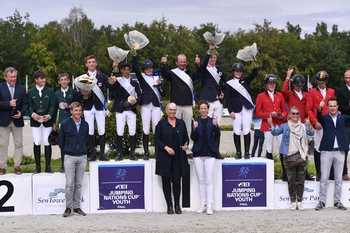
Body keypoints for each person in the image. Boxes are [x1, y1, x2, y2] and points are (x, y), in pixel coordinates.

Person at [269, 106, 314, 211]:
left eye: (297, 113)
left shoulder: (303, 126)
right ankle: (293, 202)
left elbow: (311, 135)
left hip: (301, 155)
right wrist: (271, 124)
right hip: (288, 156)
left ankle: (300, 202)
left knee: (301, 180)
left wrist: (309, 125)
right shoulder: (284, 126)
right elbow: (275, 133)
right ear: (289, 115)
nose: (295, 115)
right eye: (293, 113)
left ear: (299, 115)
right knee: (291, 180)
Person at [160, 54, 202, 157]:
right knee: (174, 128)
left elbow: (199, 75)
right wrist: (163, 63)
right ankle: (175, 148)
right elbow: (164, 74)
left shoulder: (190, 73)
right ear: (176, 62)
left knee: (188, 128)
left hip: (187, 104)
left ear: (186, 62)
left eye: (184, 61)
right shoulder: (173, 73)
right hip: (176, 106)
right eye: (180, 61)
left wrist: (198, 64)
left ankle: (189, 150)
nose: (182, 63)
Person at [74, 55, 112, 162]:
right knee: (89, 130)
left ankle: (102, 155)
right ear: (86, 64)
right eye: (89, 62)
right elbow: (74, 92)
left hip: (100, 107)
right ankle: (93, 154)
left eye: (93, 62)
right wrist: (82, 92)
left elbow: (111, 87)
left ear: (96, 64)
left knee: (102, 129)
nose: (91, 64)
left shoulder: (102, 76)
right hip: (88, 106)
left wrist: (113, 76)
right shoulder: (82, 78)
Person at [315, 98, 350, 211]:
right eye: (330, 106)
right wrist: (319, 109)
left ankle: (337, 201)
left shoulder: (343, 118)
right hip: (327, 151)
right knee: (324, 178)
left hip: (340, 151)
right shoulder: (325, 118)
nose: (333, 108)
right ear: (328, 107)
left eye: (334, 106)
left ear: (337, 106)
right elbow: (318, 117)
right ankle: (321, 201)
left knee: (338, 178)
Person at [155, 102, 190, 215]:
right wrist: (166, 148)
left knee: (176, 181)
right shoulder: (161, 124)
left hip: (178, 157)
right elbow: (156, 140)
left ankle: (177, 204)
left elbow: (186, 137)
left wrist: (186, 145)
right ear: (166, 111)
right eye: (170, 110)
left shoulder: (181, 123)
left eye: (174, 110)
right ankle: (169, 205)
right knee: (165, 181)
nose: (172, 112)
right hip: (165, 157)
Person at [132, 51, 165, 160]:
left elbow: (163, 93)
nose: (149, 70)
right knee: (146, 128)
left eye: (150, 68)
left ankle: (157, 152)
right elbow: (135, 68)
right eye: (147, 69)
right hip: (146, 104)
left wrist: (160, 85)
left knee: (156, 128)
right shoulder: (141, 77)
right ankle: (146, 152)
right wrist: (134, 55)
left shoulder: (157, 77)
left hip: (155, 105)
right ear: (144, 70)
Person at [282, 68, 314, 181]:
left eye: (300, 85)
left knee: (303, 149)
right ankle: (286, 173)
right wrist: (287, 77)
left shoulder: (307, 94)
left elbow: (308, 107)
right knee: (289, 149)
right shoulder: (290, 94)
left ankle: (304, 172)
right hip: (292, 124)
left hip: (303, 124)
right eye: (296, 85)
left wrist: (308, 118)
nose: (299, 87)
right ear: (293, 84)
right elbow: (284, 91)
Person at [59, 102, 89, 217]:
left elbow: (85, 138)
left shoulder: (85, 124)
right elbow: (61, 142)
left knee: (78, 184)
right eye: (76, 110)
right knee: (69, 184)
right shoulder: (65, 124)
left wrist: (81, 149)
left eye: (80, 110)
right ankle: (68, 207)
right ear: (71, 111)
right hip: (69, 157)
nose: (78, 112)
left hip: (82, 156)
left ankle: (77, 207)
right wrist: (69, 149)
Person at [191, 100, 220, 215]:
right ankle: (203, 204)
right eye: (201, 108)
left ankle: (210, 205)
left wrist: (216, 126)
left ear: (208, 109)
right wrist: (194, 129)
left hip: (210, 153)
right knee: (201, 180)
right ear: (199, 110)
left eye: (205, 108)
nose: (203, 110)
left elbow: (217, 136)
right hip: (198, 153)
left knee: (209, 180)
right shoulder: (195, 121)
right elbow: (193, 138)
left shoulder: (212, 121)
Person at [225, 59, 258, 159]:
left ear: (242, 72)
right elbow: (228, 98)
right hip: (235, 109)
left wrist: (254, 62)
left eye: (240, 71)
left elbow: (254, 73)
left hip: (247, 108)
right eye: (236, 71)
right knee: (237, 130)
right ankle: (238, 152)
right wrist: (230, 111)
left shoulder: (245, 81)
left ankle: (247, 152)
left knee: (247, 129)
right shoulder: (229, 83)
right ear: (233, 72)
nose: (238, 73)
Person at [109, 62, 142, 161]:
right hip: (120, 108)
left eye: (128, 69)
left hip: (131, 108)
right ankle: (119, 153)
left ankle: (132, 153)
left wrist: (136, 101)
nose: (126, 71)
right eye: (124, 69)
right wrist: (112, 69)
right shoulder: (118, 81)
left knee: (132, 130)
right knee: (120, 130)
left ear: (130, 70)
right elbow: (111, 88)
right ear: (121, 70)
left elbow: (140, 95)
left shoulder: (135, 83)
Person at [306, 71, 335, 181]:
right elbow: (308, 108)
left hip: (329, 123)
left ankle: (331, 172)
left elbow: (333, 106)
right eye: (318, 82)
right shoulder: (312, 92)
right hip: (318, 123)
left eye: (322, 82)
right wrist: (314, 121)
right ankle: (319, 172)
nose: (320, 84)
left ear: (326, 82)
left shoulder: (331, 91)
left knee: (331, 147)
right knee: (318, 148)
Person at [200, 44, 227, 159]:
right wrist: (209, 51)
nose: (213, 59)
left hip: (217, 101)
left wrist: (224, 92)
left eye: (214, 57)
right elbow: (203, 63)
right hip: (207, 101)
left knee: (217, 126)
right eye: (211, 57)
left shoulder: (219, 71)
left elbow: (226, 84)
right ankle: (206, 149)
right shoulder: (204, 70)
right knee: (206, 126)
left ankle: (216, 150)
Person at [28, 70, 57, 173]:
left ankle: (48, 166)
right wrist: (32, 114)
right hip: (35, 121)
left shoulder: (50, 91)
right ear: (36, 80)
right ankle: (38, 167)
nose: (43, 80)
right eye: (41, 78)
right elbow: (29, 105)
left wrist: (49, 116)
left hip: (47, 121)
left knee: (47, 142)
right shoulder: (31, 92)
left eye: (44, 78)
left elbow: (53, 105)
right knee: (37, 142)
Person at [0, 67, 28, 175]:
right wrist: (8, 104)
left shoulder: (21, 88)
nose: (13, 79)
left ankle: (17, 166)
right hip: (3, 121)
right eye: (11, 77)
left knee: (19, 144)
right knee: (3, 144)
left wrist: (22, 112)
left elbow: (25, 103)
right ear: (5, 77)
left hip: (17, 120)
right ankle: (2, 167)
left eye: (15, 76)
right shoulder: (0, 87)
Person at [254, 74, 287, 165]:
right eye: (270, 83)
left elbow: (284, 110)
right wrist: (268, 114)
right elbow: (257, 113)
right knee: (269, 147)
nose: (272, 85)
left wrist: (282, 115)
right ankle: (270, 172)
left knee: (282, 146)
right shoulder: (261, 96)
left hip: (279, 123)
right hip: (267, 124)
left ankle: (284, 172)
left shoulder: (280, 95)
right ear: (266, 84)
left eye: (274, 83)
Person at [55, 73, 79, 173]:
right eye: (62, 80)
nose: (64, 81)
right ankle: (63, 165)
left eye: (65, 79)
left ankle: (74, 165)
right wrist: (54, 123)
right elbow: (54, 108)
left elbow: (78, 105)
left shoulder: (73, 92)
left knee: (73, 142)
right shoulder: (56, 94)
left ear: (68, 81)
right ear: (59, 82)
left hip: (73, 120)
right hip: (62, 120)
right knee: (63, 143)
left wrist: (69, 106)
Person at [335, 69, 350, 180]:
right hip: (347, 124)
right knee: (345, 148)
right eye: (346, 78)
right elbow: (341, 107)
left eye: (349, 78)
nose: (348, 80)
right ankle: (344, 172)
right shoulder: (340, 91)